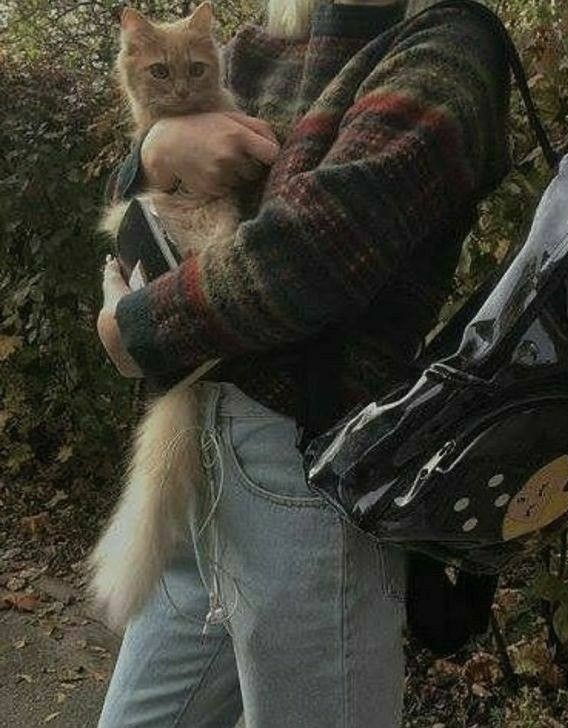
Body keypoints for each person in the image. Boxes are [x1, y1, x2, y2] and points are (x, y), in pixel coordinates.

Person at [96, 0, 511, 725]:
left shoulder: (444, 42)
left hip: (304, 462)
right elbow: (133, 200)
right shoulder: (262, 41)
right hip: (198, 450)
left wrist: (135, 329)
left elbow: (312, 255)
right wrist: (155, 152)